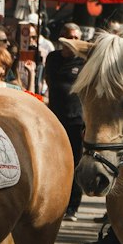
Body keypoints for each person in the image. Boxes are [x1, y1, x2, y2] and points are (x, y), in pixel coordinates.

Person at [43, 23, 85, 220]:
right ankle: (54, 202)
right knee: (54, 161)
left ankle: (72, 206)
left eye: (77, 37)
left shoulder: (84, 61)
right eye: (70, 37)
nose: (74, 41)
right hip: (55, 119)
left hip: (77, 120)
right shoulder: (52, 58)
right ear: (61, 39)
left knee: (75, 163)